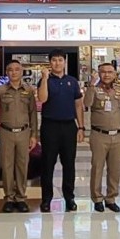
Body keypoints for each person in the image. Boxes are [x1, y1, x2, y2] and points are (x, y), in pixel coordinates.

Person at [0, 60, 38, 213]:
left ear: (21, 72)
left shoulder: (28, 90)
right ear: (7, 73)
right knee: (6, 166)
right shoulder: (0, 89)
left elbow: (33, 113)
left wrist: (34, 134)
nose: (13, 72)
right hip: (6, 132)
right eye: (10, 70)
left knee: (22, 166)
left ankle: (21, 198)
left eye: (17, 69)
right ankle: (9, 197)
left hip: (23, 132)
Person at [37, 49, 85, 213]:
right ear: (50, 63)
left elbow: (78, 105)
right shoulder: (45, 80)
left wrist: (81, 127)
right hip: (50, 126)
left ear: (64, 62)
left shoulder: (72, 81)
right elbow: (42, 98)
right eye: (54, 60)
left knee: (69, 164)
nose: (57, 63)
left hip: (69, 126)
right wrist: (44, 78)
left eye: (60, 60)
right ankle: (46, 199)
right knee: (47, 164)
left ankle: (69, 197)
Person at [84, 63, 120, 213]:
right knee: (97, 167)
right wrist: (91, 85)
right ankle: (97, 198)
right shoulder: (94, 88)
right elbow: (87, 103)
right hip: (99, 134)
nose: (106, 75)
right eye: (103, 72)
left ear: (115, 74)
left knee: (115, 169)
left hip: (118, 135)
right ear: (99, 73)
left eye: (110, 72)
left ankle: (111, 198)